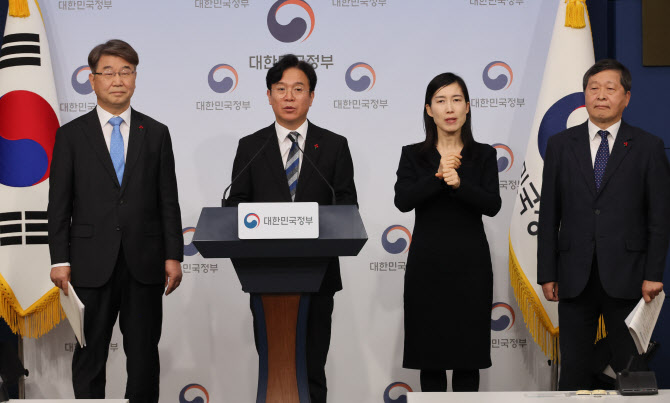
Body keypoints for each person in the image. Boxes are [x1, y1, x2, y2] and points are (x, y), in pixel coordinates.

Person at [48, 39, 184, 403]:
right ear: (92, 80)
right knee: (89, 354)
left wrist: (174, 255)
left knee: (143, 355)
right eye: (108, 72)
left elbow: (167, 200)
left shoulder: (155, 133)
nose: (118, 80)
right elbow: (58, 204)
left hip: (144, 261)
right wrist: (59, 259)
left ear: (135, 78)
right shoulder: (71, 135)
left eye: (126, 71)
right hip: (89, 263)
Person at [226, 54, 357, 403]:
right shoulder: (251, 147)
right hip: (265, 275)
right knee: (275, 366)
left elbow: (346, 205)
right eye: (281, 89)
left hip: (318, 275)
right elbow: (236, 204)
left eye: (298, 89)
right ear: (268, 95)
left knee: (312, 367)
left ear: (311, 97)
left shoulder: (333, 145)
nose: (289, 96)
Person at [537, 59, 670, 390]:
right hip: (574, 275)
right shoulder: (560, 145)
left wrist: (654, 273)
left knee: (630, 368)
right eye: (593, 88)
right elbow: (549, 213)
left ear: (626, 97)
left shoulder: (648, 147)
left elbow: (659, 217)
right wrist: (547, 272)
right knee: (574, 370)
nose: (600, 95)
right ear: (584, 95)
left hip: (629, 275)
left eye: (610, 89)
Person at [394, 73, 501, 392]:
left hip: (471, 268)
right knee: (431, 358)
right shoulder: (413, 154)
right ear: (429, 110)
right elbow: (403, 200)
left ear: (467, 107)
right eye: (441, 101)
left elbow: (492, 205)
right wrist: (438, 176)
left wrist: (460, 184)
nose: (449, 108)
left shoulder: (484, 154)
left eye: (456, 100)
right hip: (427, 268)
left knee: (468, 358)